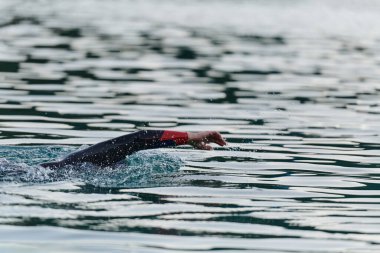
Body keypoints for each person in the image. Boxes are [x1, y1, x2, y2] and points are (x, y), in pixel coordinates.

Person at [40, 130, 227, 169]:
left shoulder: (52, 169)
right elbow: (136, 140)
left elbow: (135, 141)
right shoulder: (60, 168)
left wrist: (185, 139)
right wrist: (188, 136)